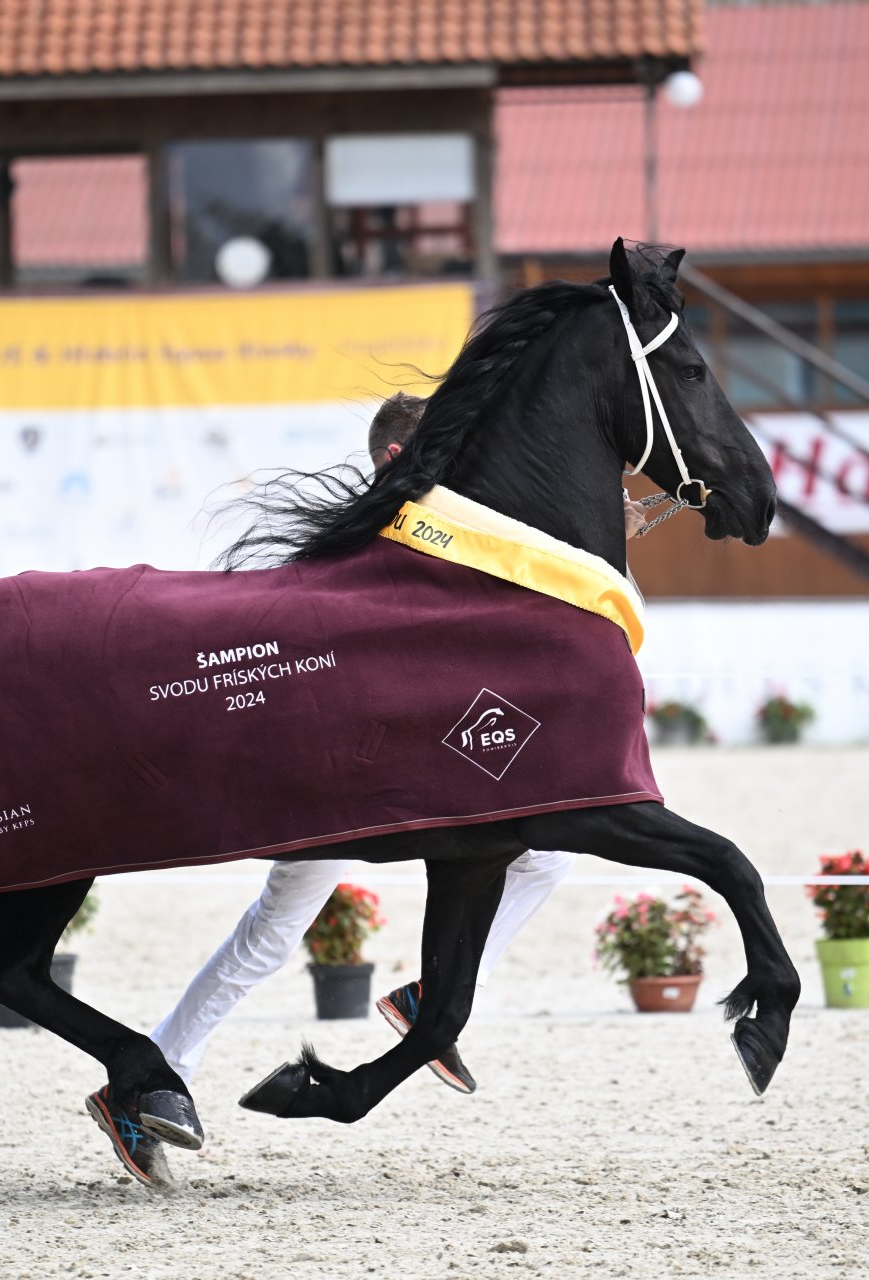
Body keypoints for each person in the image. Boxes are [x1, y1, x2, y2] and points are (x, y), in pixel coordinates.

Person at [90, 392, 610, 1184]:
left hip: (376, 770)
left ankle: (157, 1077)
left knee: (542, 858)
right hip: (337, 775)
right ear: (400, 460)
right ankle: (157, 1077)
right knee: (281, 929)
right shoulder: (382, 531)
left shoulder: (419, 528)